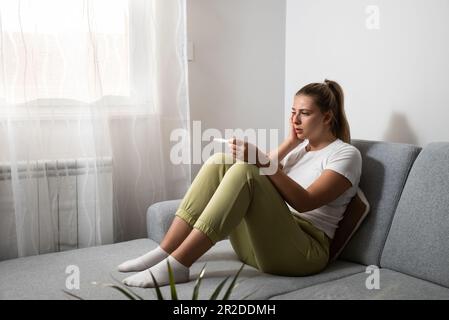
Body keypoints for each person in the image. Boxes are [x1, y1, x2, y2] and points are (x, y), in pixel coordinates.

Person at [119, 79, 362, 288]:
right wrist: (290, 142)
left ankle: (178, 265)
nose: (295, 119)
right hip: (262, 246)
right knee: (221, 161)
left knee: (246, 170)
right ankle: (166, 251)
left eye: (304, 113)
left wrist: (260, 160)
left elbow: (305, 202)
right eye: (293, 111)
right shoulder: (299, 150)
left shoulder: (345, 154)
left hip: (303, 253)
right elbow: (266, 169)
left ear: (327, 117)